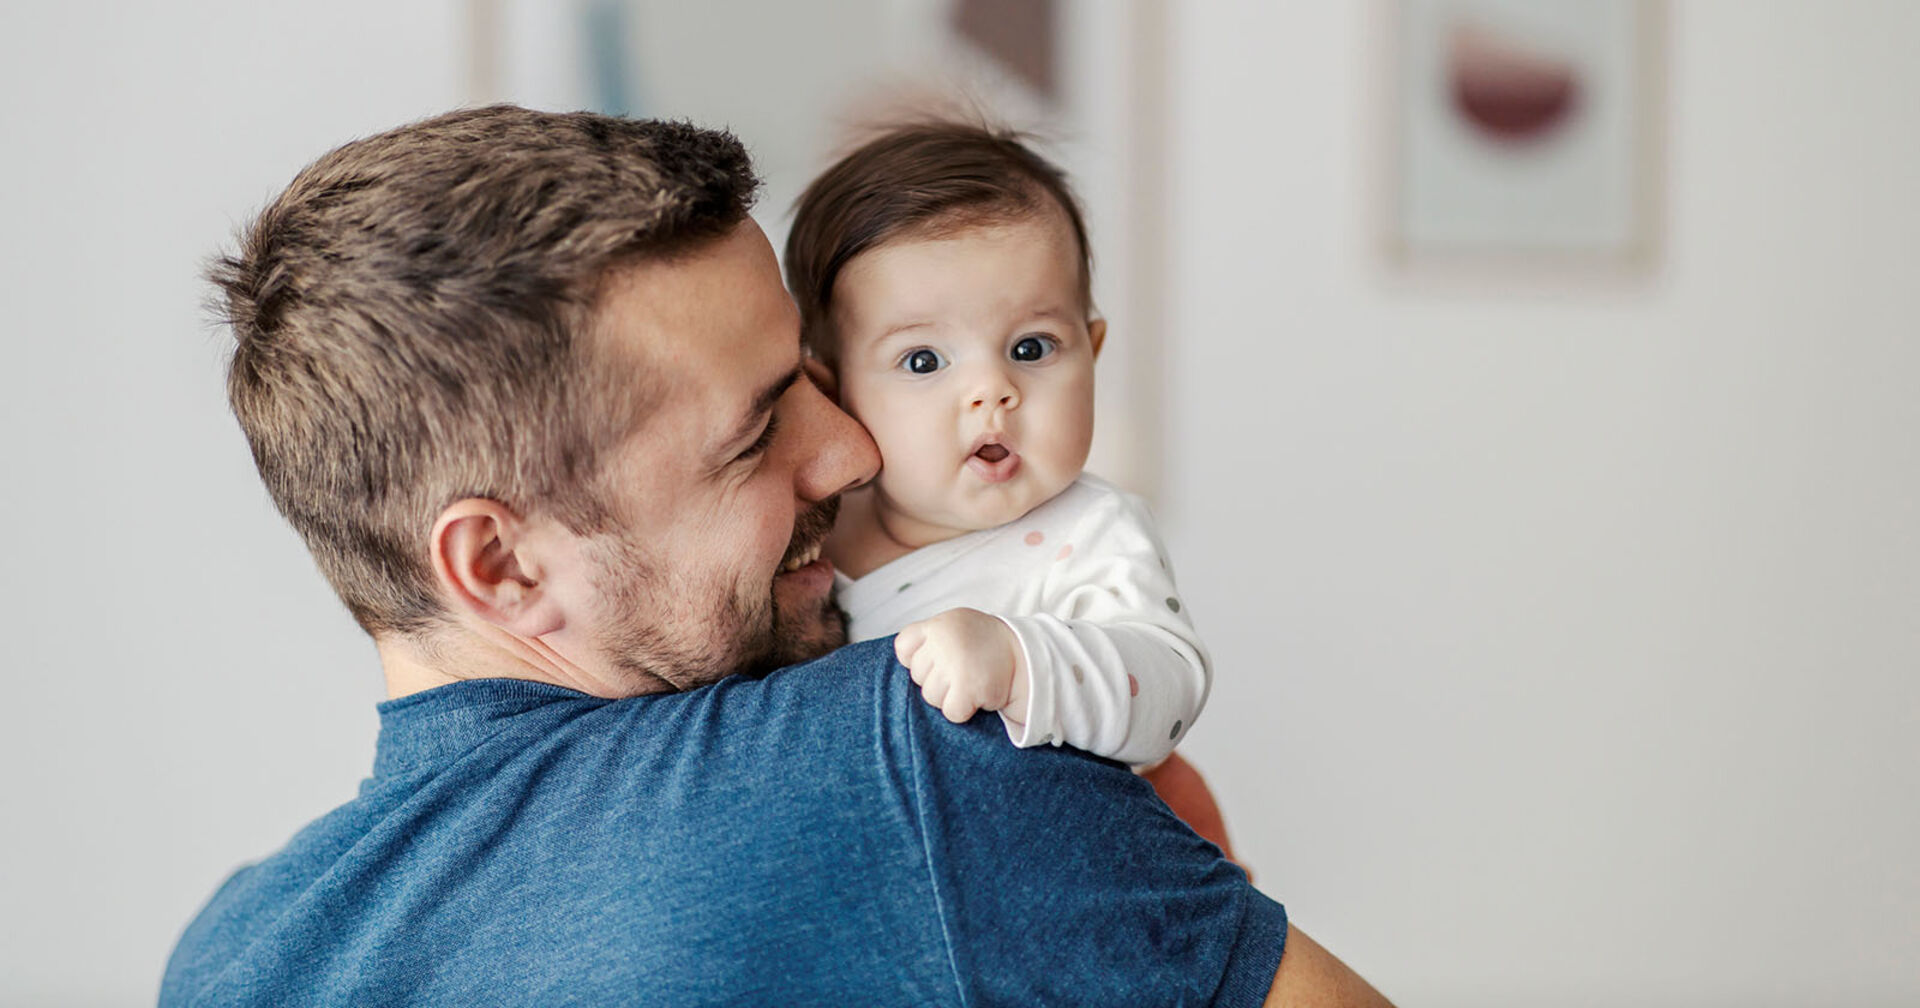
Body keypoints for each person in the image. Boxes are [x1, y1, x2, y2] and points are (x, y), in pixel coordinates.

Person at [161, 104, 1391, 1007]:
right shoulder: (916, 753)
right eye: (755, 437)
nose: (854, 452)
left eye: (817, 378)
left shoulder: (227, 961)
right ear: (500, 565)